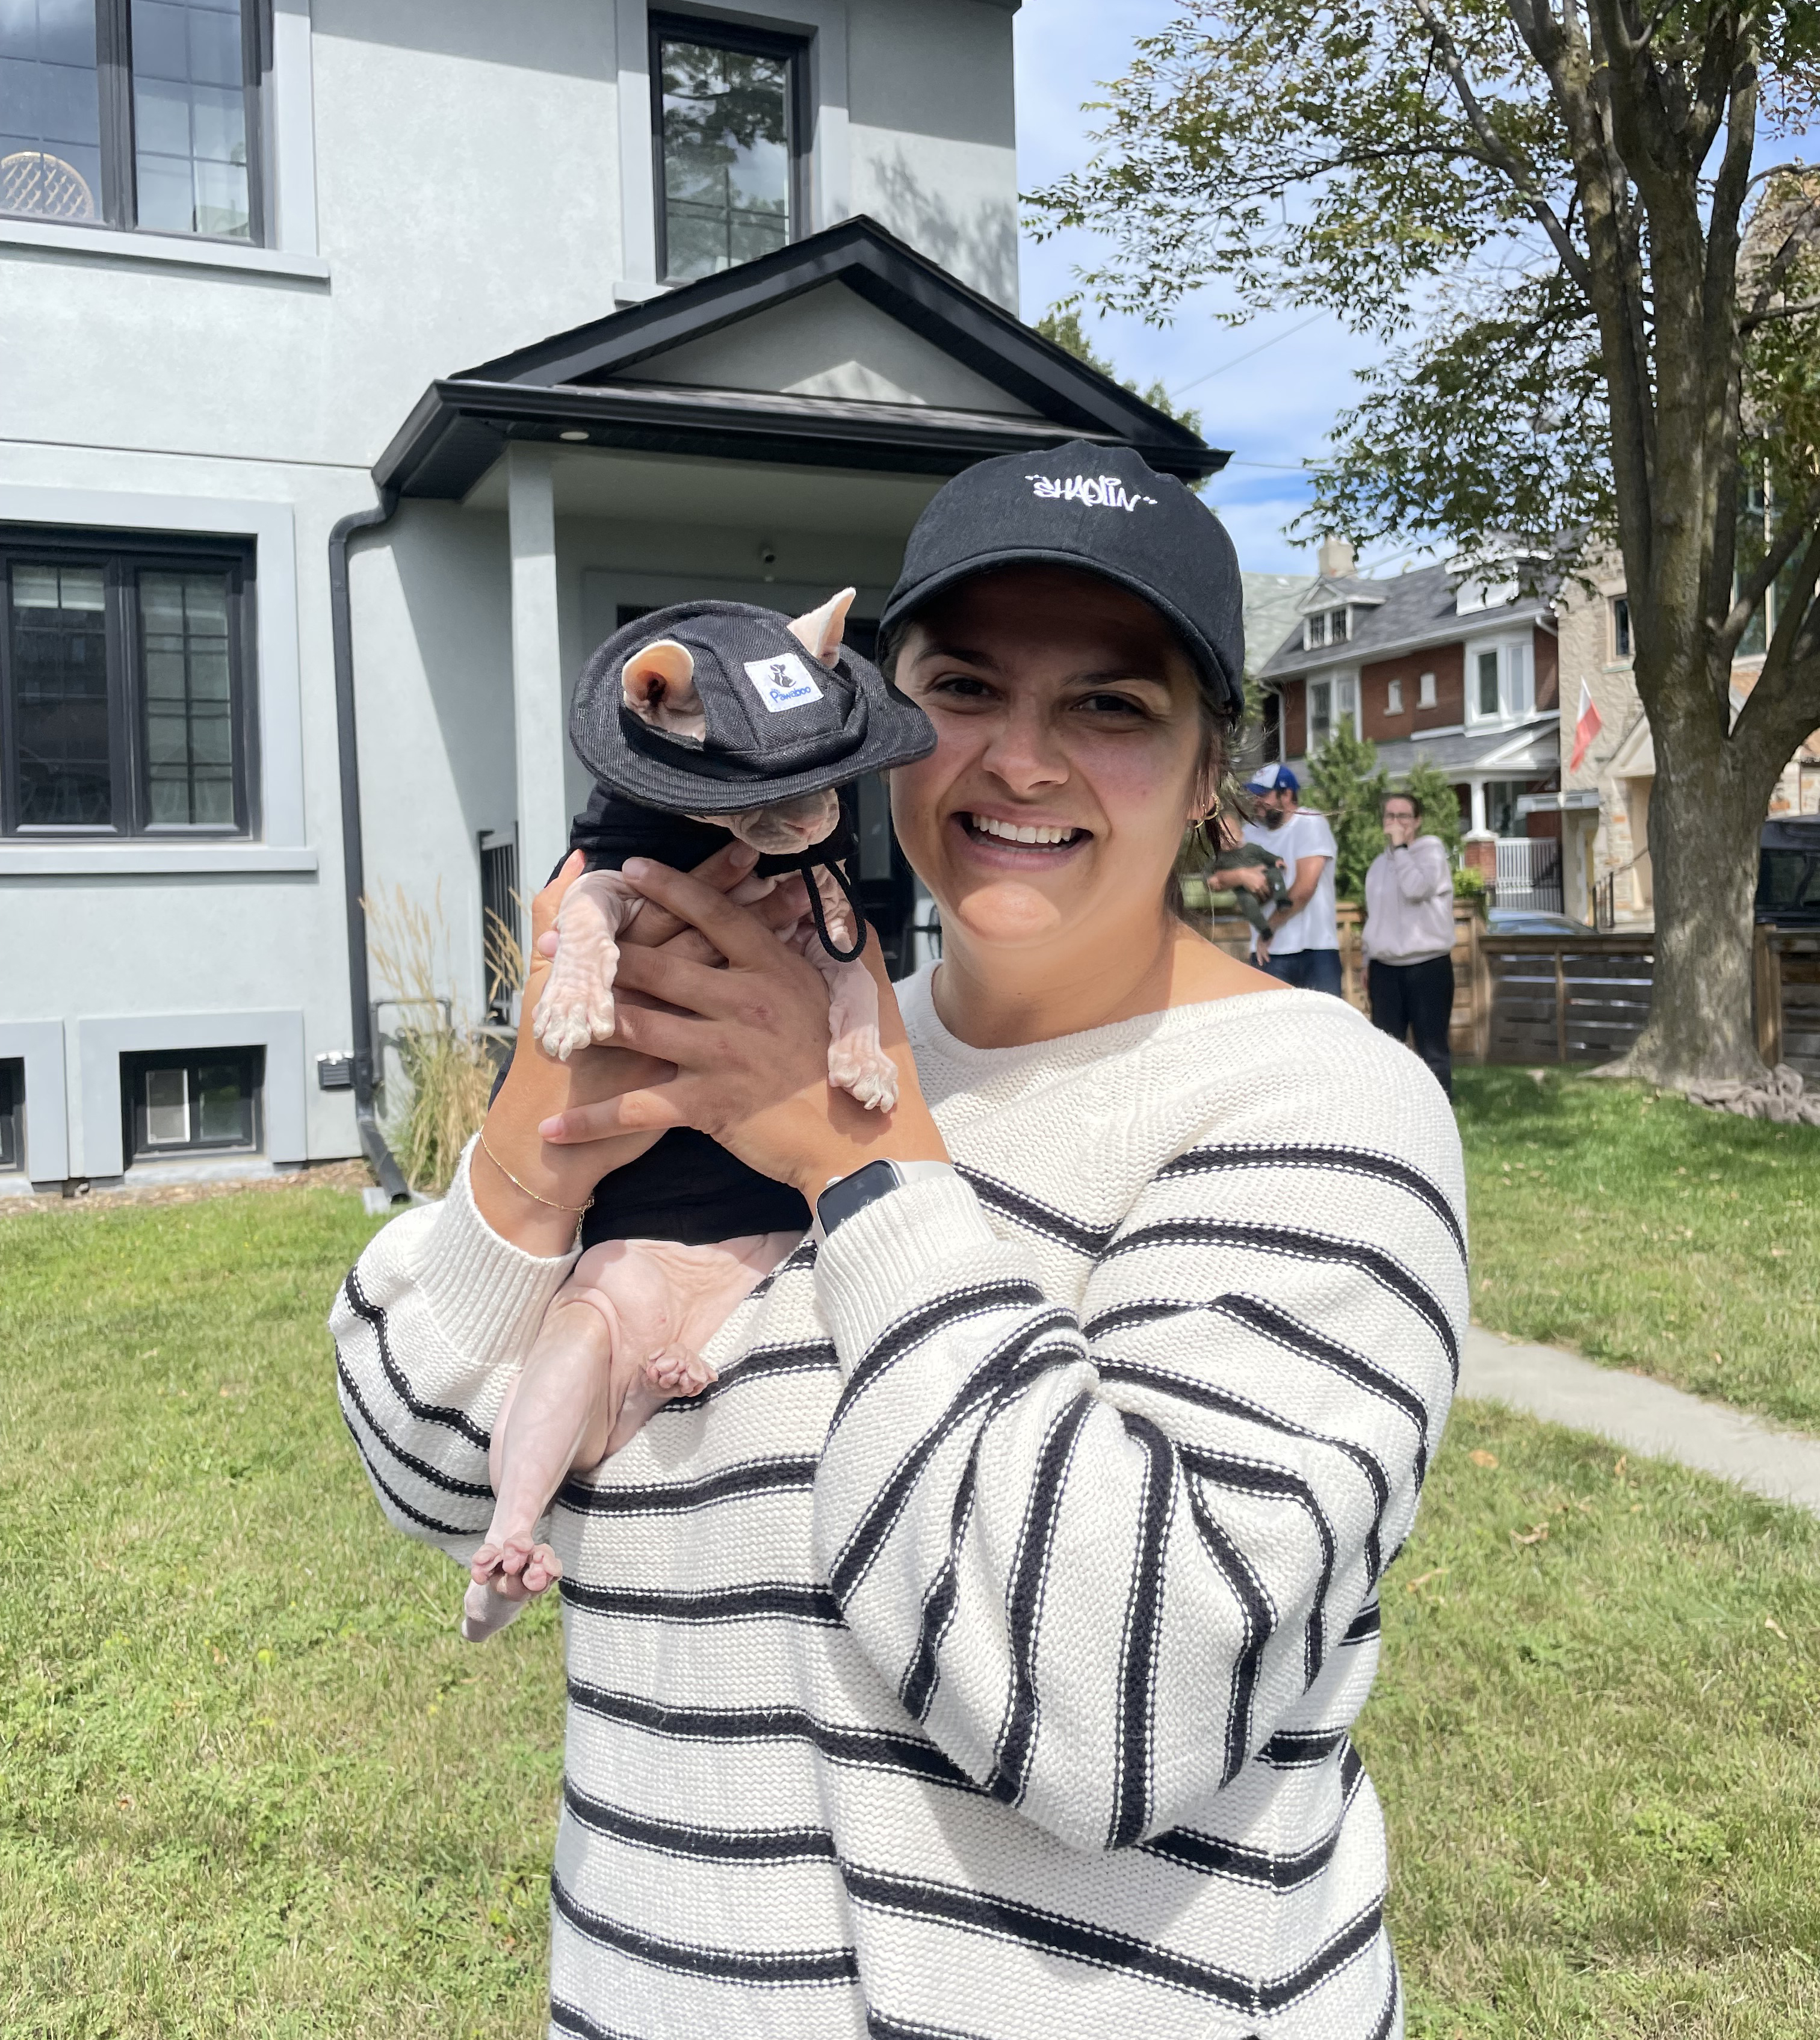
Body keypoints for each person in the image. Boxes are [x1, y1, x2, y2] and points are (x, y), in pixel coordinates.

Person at [330, 438, 1466, 2040]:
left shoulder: (1320, 1105)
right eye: (967, 688)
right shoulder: (733, 1021)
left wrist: (858, 1163)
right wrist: (541, 1131)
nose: (1018, 760)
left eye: (1113, 706)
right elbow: (426, 1479)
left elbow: (1121, 1706)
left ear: (1217, 771)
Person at [1362, 791, 1457, 1098]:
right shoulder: (1377, 866)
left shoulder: (1431, 852)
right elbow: (1375, 917)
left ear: (1416, 822)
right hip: (1385, 969)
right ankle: (1392, 1110)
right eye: (1390, 816)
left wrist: (1402, 848)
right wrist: (1368, 961)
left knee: (1433, 1049)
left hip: (1428, 965)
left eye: (1403, 816)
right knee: (1387, 1049)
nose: (1396, 822)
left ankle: (1443, 1113)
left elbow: (1416, 888)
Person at [1225, 762, 1343, 995]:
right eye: (1254, 794)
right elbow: (1218, 879)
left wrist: (1268, 930)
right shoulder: (1250, 832)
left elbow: (1304, 889)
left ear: (1286, 794)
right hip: (1268, 955)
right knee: (1273, 1031)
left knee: (1323, 1030)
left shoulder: (1311, 823)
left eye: (1263, 794)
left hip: (1315, 950)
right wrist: (1240, 875)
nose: (1256, 800)